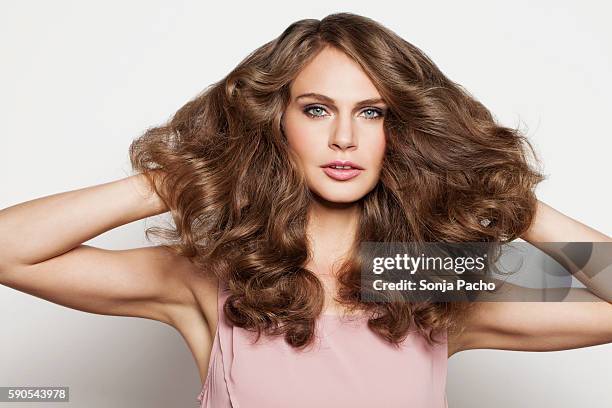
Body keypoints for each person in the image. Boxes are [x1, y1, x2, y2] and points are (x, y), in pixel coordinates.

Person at [1, 12, 611, 408]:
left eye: (372, 112)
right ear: (275, 122)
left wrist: (511, 201)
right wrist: (183, 178)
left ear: (401, 132)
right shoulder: (213, 277)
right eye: (316, 109)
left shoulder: (419, 278)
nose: (344, 136)